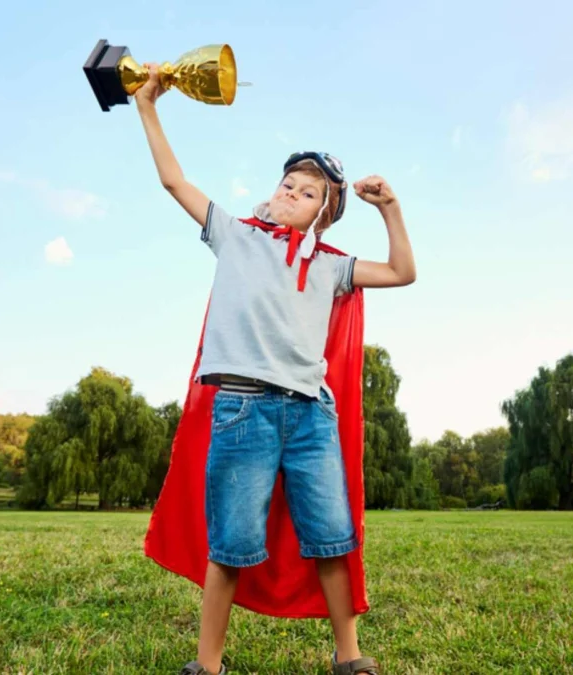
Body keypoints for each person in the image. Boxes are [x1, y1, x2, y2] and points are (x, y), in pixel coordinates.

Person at [133, 63, 415, 675]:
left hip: (311, 415)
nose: (293, 191)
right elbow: (174, 181)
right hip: (242, 409)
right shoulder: (236, 237)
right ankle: (207, 666)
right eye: (289, 182)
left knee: (333, 538)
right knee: (230, 546)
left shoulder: (332, 266)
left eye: (308, 191)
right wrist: (148, 107)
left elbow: (401, 272)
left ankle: (350, 658)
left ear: (324, 213)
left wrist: (390, 208)